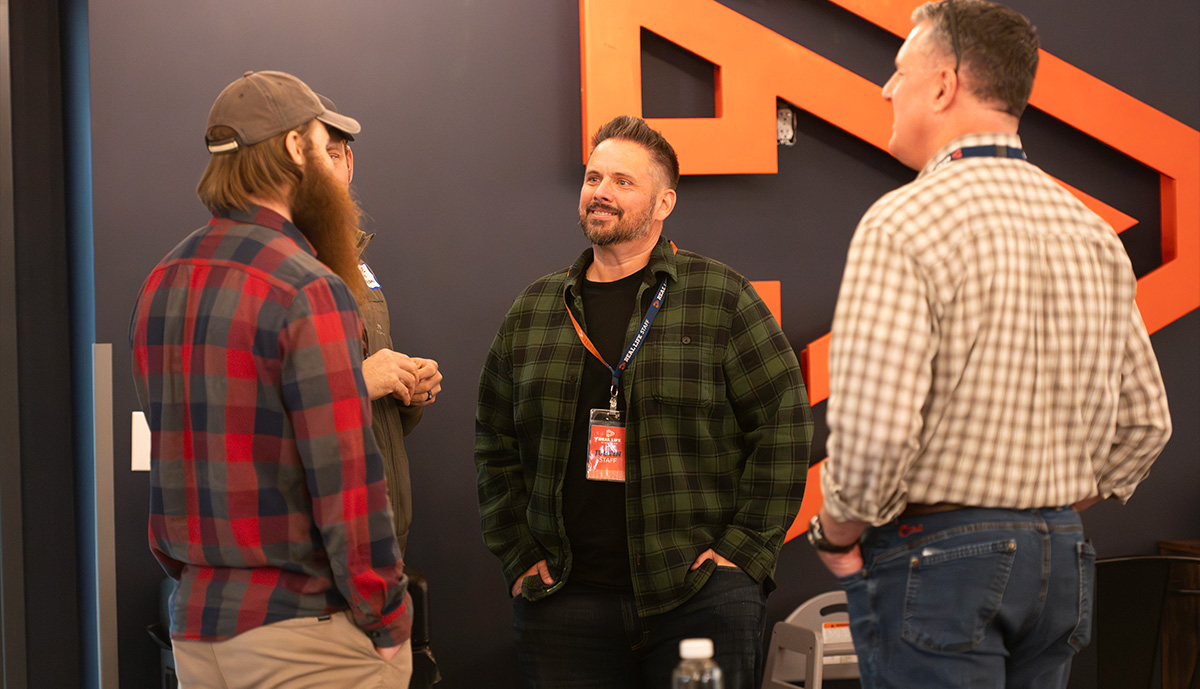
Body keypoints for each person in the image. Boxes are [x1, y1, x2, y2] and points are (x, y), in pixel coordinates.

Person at [810, 3, 1173, 687]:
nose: (887, 89)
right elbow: (1146, 423)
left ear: (944, 85)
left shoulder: (905, 222)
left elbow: (875, 435)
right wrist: (1039, 512)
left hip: (937, 564)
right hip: (1060, 559)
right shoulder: (1092, 233)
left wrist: (836, 531)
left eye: (899, 72)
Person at [475, 115, 812, 688]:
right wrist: (517, 556)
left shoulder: (720, 297)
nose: (601, 192)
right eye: (593, 178)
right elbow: (495, 443)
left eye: (623, 182)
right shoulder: (534, 310)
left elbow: (783, 425)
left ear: (664, 203)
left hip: (698, 597)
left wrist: (743, 555)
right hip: (564, 604)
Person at [129, 70, 412, 688]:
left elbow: (171, 451)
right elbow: (344, 476)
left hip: (197, 625)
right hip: (302, 632)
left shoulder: (162, 281)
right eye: (321, 142)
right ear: (293, 148)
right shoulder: (307, 286)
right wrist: (388, 618)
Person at [318, 92, 443, 686]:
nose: (331, 166)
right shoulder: (276, 267)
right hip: (314, 559)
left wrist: (404, 390)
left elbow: (361, 400)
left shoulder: (352, 257)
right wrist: (358, 382)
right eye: (315, 152)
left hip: (381, 541)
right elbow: (257, 413)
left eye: (338, 153)